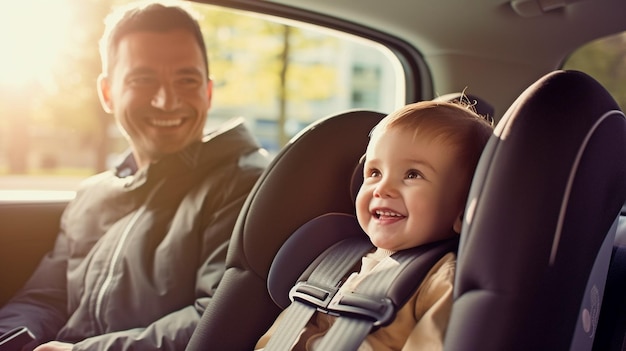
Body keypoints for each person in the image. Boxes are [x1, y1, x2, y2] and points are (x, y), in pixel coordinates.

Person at [0, 1, 268, 350]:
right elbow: (44, 299)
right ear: (108, 93)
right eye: (144, 80)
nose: (166, 100)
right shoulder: (91, 195)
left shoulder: (243, 184)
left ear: (208, 91)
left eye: (186, 80)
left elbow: (217, 318)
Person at [255, 100, 494, 350]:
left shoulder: (441, 280)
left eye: (412, 174)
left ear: (462, 210)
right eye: (374, 173)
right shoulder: (334, 264)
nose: (383, 189)